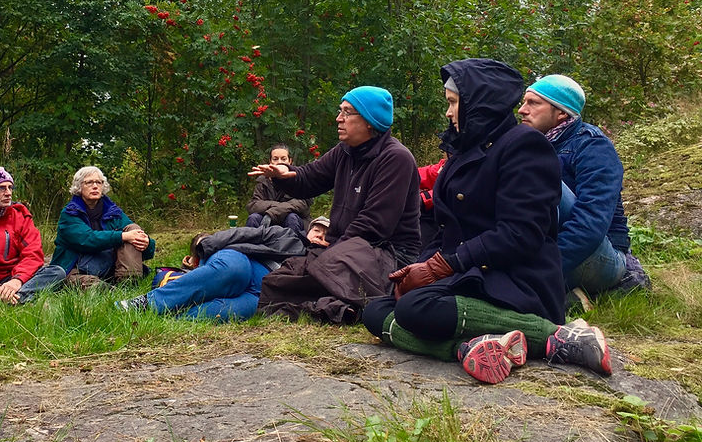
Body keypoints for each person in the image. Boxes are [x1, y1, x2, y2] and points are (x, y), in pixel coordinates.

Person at [362, 59, 612, 384]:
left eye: (453, 103)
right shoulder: (462, 153)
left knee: (414, 310)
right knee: (376, 310)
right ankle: (469, 348)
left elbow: (520, 234)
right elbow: (444, 230)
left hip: (515, 281)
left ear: (478, 104)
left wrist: (441, 267)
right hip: (470, 276)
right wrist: (419, 269)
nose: (449, 113)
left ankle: (558, 336)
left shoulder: (525, 146)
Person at [250, 86, 421, 324]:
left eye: (347, 112)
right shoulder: (345, 151)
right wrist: (284, 174)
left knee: (314, 276)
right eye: (340, 111)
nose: (338, 118)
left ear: (370, 121)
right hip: (349, 247)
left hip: (389, 254)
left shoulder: (396, 158)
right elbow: (311, 177)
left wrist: (330, 250)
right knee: (287, 275)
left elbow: (374, 224)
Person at [518, 74, 650, 297]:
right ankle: (572, 298)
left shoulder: (593, 146)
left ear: (561, 112)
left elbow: (591, 223)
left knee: (538, 174)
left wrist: (542, 269)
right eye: (524, 102)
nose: (522, 109)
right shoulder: (528, 145)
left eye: (533, 103)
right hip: (547, 249)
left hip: (602, 255)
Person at [116, 223, 308, 320]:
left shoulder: (323, 261)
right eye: (318, 230)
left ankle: (167, 316)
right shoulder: (287, 235)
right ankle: (144, 304)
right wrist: (208, 244)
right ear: (309, 229)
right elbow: (245, 233)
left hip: (264, 293)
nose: (321, 236)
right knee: (232, 272)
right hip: (245, 262)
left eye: (326, 235)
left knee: (220, 313)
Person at [0, 162, 66, 304]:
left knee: (57, 272)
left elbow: (33, 255)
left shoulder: (21, 217)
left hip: (12, 278)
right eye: (1, 188)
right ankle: (12, 300)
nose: (8, 193)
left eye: (10, 187)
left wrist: (17, 281)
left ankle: (4, 300)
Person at [50, 166, 155, 284]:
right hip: (75, 268)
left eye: (99, 182)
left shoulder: (112, 211)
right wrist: (123, 236)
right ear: (79, 187)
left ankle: (129, 281)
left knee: (133, 229)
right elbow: (87, 239)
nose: (95, 186)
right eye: (89, 182)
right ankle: (106, 286)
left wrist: (147, 243)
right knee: (93, 286)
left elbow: (145, 249)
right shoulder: (69, 214)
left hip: (108, 266)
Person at [245, 144, 311, 234]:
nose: (279, 162)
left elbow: (301, 204)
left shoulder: (298, 178)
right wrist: (276, 207)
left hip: (293, 220)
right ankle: (250, 246)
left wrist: (272, 213)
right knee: (253, 218)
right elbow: (253, 205)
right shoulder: (262, 181)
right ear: (270, 161)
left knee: (292, 217)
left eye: (283, 159)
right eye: (275, 159)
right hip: (267, 220)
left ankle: (294, 246)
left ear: (290, 161)